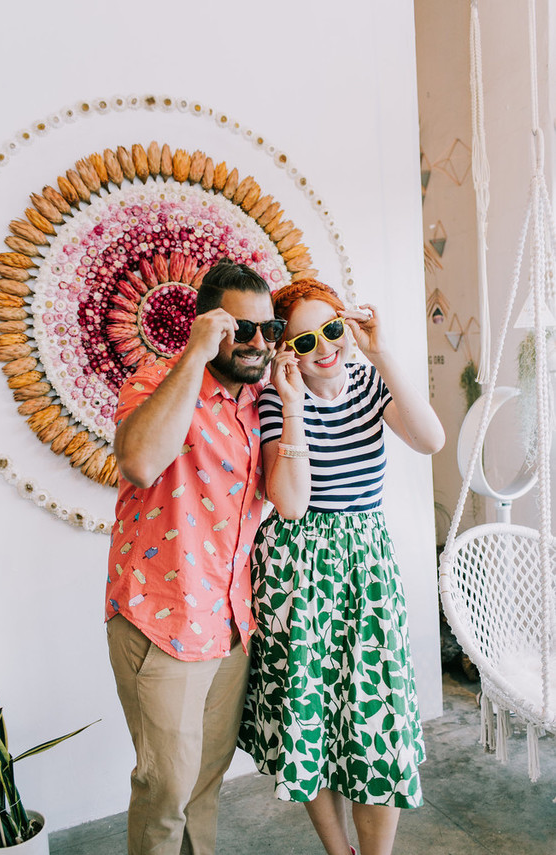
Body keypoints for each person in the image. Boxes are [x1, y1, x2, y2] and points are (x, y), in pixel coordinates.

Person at [238, 279, 445, 855]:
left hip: (366, 565)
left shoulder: (370, 381)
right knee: (308, 714)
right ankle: (338, 851)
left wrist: (382, 353)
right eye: (305, 340)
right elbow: (292, 503)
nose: (324, 348)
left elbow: (430, 439)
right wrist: (297, 402)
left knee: (377, 720)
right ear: (286, 348)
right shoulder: (278, 398)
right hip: (296, 570)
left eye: (333, 329)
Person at [106, 257, 288, 855]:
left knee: (205, 785)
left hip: (233, 623)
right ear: (209, 324)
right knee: (165, 792)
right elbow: (138, 461)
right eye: (243, 329)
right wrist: (191, 355)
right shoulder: (157, 381)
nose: (259, 342)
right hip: (164, 619)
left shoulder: (261, 404)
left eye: (270, 328)